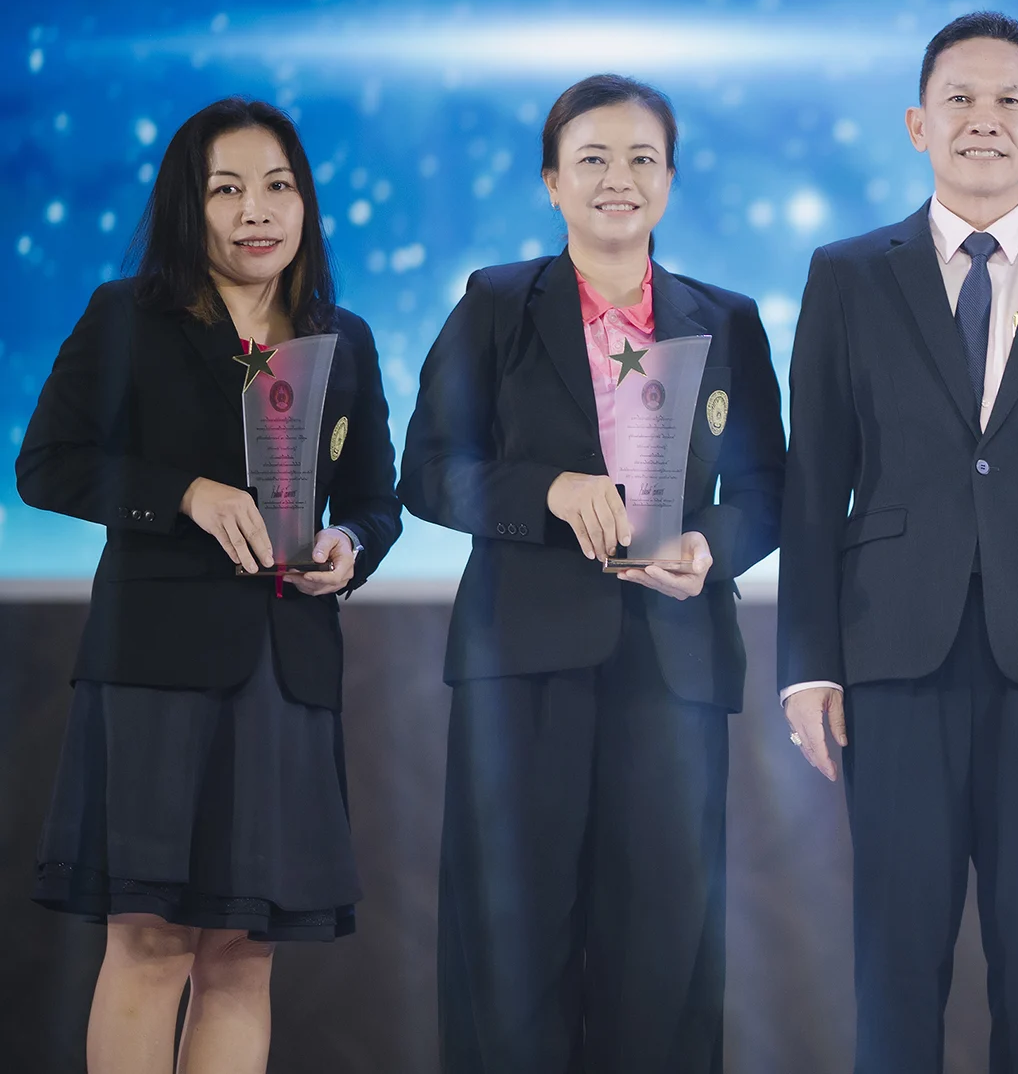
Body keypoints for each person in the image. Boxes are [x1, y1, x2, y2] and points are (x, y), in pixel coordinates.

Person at [778, 11, 1018, 1074]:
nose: (983, 119)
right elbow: (813, 482)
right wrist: (808, 662)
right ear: (919, 123)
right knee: (895, 965)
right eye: (959, 98)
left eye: (1009, 101)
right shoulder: (848, 273)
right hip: (890, 656)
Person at [400, 73, 784, 1074]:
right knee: (512, 953)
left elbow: (768, 488)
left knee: (664, 959)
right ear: (552, 181)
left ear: (670, 178)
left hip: (675, 667)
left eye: (642, 159)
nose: (620, 178)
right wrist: (550, 490)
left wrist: (709, 546)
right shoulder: (496, 304)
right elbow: (428, 469)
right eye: (593, 159)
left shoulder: (726, 319)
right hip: (523, 668)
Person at [15, 98, 401, 1073]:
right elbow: (48, 465)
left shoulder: (344, 338)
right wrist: (184, 492)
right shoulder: (128, 316)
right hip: (155, 668)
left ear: (306, 204)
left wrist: (349, 544)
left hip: (285, 671)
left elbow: (376, 501)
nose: (255, 210)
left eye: (277, 186)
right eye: (226, 189)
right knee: (151, 946)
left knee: (241, 957)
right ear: (189, 207)